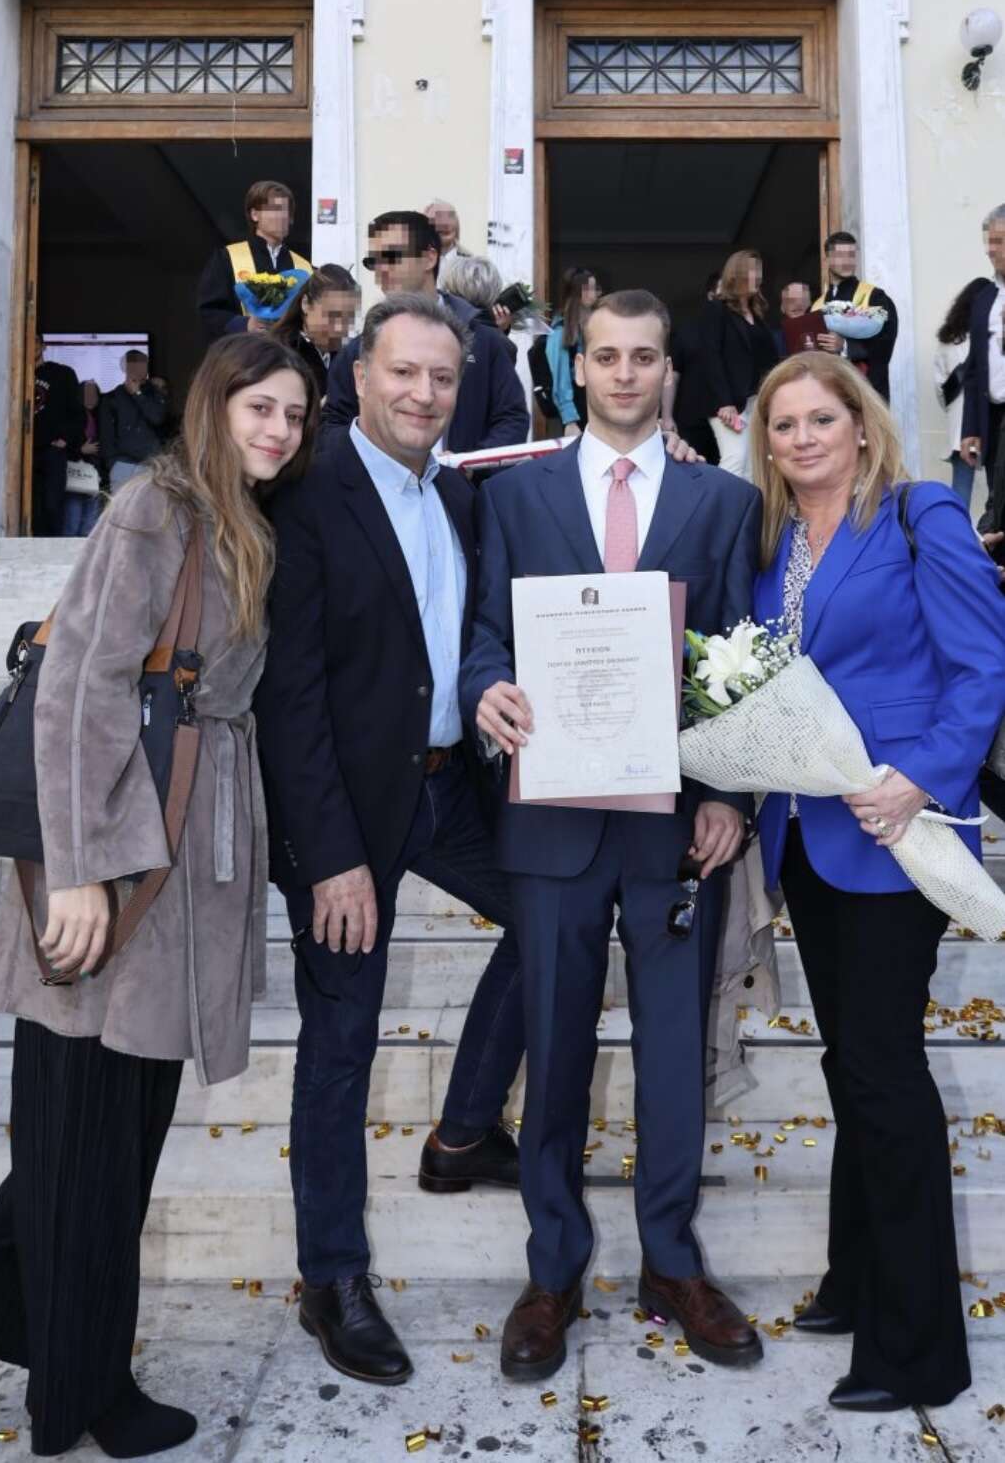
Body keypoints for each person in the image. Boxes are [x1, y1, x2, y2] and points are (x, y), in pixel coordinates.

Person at [0, 333, 316, 1458]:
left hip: (175, 871)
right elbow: (77, 690)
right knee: (79, 1150)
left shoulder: (238, 522)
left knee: (99, 1151)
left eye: (294, 414)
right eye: (259, 408)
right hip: (109, 870)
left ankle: (69, 1360)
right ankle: (88, 1391)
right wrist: (73, 870)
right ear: (212, 406)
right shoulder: (152, 512)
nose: (278, 429)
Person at [460, 289, 764, 1383]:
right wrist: (486, 686)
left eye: (644, 356)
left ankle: (671, 1263)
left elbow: (739, 655)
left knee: (673, 1055)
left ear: (668, 370)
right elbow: (483, 630)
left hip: (676, 825)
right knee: (555, 1050)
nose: (625, 373)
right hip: (552, 817)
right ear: (576, 369)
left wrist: (730, 794)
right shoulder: (515, 495)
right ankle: (553, 1271)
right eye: (606, 356)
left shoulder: (722, 501)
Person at [255, 292, 526, 1389]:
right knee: (342, 1043)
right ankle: (332, 1277)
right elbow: (289, 693)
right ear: (359, 374)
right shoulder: (306, 488)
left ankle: (463, 1128)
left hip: (446, 787)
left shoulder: (457, 493)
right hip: (347, 812)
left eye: (443, 377)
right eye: (404, 372)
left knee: (555, 912)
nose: (424, 393)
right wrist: (329, 856)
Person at [750, 351, 1005, 1415]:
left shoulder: (918, 512)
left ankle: (918, 1349)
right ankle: (855, 1280)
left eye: (822, 418)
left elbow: (983, 664)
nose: (803, 437)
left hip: (897, 833)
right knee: (850, 1059)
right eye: (784, 425)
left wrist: (922, 777)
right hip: (808, 837)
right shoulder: (773, 543)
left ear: (861, 424)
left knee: (884, 1068)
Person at [324, 211, 529, 452]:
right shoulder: (359, 350)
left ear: (430, 257)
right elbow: (332, 425)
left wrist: (467, 464)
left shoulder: (483, 340)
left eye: (392, 257)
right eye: (374, 261)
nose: (381, 270)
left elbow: (512, 419)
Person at [197, 179, 313, 345]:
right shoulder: (227, 258)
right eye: (275, 209)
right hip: (244, 353)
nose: (282, 216)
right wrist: (244, 325)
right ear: (254, 214)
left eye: (286, 211)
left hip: (289, 353)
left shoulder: (304, 268)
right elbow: (209, 311)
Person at [698, 250, 778, 477]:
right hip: (729, 402)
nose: (758, 276)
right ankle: (722, 501)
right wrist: (724, 402)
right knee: (735, 456)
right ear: (736, 274)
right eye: (752, 271)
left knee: (753, 463)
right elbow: (711, 356)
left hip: (755, 400)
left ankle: (748, 502)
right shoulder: (717, 310)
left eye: (759, 271)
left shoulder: (757, 314)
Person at [813, 232, 898, 404]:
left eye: (851, 255)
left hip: (866, 396)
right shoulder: (817, 306)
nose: (847, 261)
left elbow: (884, 344)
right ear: (827, 259)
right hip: (827, 397)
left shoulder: (875, 297)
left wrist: (845, 346)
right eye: (840, 255)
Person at [960, 203, 1005, 485]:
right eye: (989, 242)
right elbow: (974, 369)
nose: (990, 250)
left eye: (998, 241)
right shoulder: (984, 298)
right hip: (995, 420)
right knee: (997, 502)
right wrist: (970, 429)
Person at [271, 265, 359, 402]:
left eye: (347, 318)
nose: (339, 327)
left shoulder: (348, 355)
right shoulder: (280, 354)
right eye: (332, 315)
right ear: (306, 304)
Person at [935, 278, 985, 508]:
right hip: (993, 422)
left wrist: (953, 411)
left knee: (961, 492)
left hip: (961, 425)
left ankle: (958, 531)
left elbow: (940, 388)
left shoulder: (949, 340)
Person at [32, 334, 84, 536]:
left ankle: (51, 548)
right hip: (24, 451)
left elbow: (77, 412)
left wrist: (66, 439)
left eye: (36, 341)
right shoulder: (14, 372)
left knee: (52, 504)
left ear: (43, 346)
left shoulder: (62, 374)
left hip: (52, 450)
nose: (32, 346)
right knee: (30, 505)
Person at [99, 349, 169, 492]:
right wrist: (112, 463)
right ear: (124, 368)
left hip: (152, 465)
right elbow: (106, 435)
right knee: (123, 506)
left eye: (143, 364)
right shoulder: (111, 398)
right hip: (122, 466)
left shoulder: (155, 393)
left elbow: (157, 418)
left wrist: (137, 394)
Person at [668, 275, 720, 463]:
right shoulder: (689, 330)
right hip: (692, 417)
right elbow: (672, 375)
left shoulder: (745, 330)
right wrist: (667, 416)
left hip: (732, 418)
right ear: (711, 295)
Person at [543, 268, 601, 437]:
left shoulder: (591, 325)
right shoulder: (561, 331)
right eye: (592, 288)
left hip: (594, 406)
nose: (597, 293)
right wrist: (570, 420)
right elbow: (560, 378)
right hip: (578, 411)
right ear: (581, 292)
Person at [61, 378, 105, 537]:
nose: (91, 398)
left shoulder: (101, 417)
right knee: (72, 523)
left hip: (95, 476)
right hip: (76, 475)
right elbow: (62, 444)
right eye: (87, 394)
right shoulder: (70, 417)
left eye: (94, 395)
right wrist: (80, 450)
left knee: (90, 527)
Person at [424, 198, 470, 285]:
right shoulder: (414, 262)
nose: (446, 224)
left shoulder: (471, 264)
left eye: (450, 217)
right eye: (438, 217)